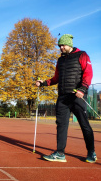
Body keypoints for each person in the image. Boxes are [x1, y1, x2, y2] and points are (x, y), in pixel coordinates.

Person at [35, 34, 97, 163]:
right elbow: (56, 78)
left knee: (84, 125)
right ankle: (60, 153)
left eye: (62, 45)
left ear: (69, 44)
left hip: (77, 96)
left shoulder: (82, 55)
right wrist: (43, 83)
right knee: (61, 125)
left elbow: (88, 73)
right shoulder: (60, 60)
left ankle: (91, 152)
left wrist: (83, 89)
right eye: (59, 46)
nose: (61, 48)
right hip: (62, 98)